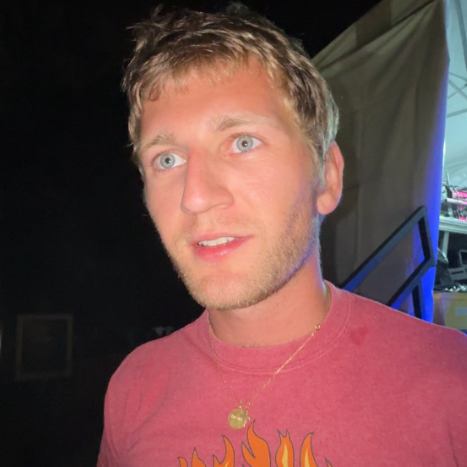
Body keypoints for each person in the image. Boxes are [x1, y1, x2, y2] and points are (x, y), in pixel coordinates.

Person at [98, 4, 467, 466]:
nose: (195, 197)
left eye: (242, 142)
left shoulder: (452, 383)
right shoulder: (135, 387)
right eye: (167, 159)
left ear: (326, 177)